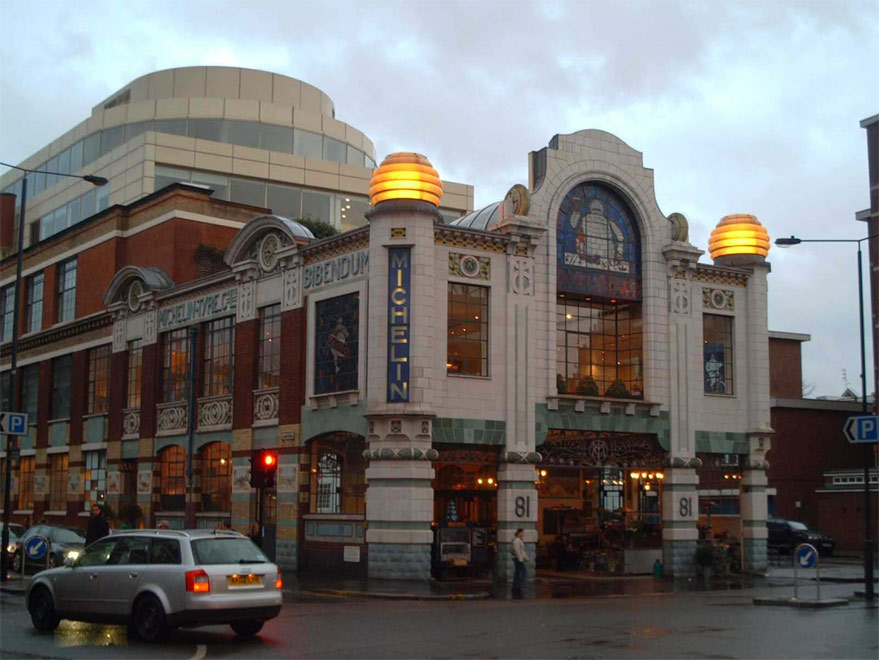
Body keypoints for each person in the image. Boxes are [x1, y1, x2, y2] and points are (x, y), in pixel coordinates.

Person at [511, 528, 528, 599]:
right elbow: (517, 550)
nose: (524, 533)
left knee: (517, 573)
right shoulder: (517, 540)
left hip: (518, 558)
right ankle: (519, 586)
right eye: (523, 532)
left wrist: (526, 558)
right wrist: (521, 559)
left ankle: (516, 586)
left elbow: (522, 550)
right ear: (519, 533)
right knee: (523, 572)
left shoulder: (519, 540)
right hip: (518, 559)